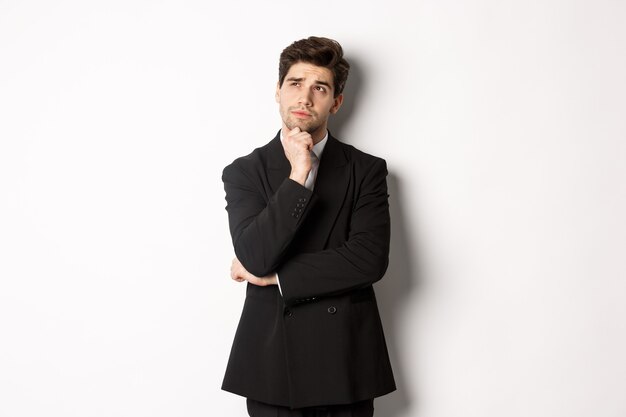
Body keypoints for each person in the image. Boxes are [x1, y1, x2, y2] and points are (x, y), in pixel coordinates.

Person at [221, 36, 395, 417]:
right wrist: (298, 174)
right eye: (295, 84)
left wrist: (276, 277)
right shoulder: (243, 172)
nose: (305, 97)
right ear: (278, 93)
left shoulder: (366, 170)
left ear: (336, 102)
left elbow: (368, 260)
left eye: (320, 87)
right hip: (273, 363)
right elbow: (254, 254)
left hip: (345, 361)